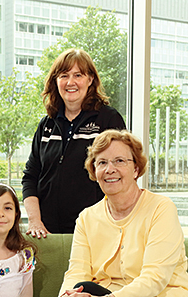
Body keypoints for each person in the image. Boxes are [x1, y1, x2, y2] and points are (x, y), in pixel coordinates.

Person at [56, 129, 188, 297]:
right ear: (94, 170)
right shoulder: (87, 218)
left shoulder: (161, 208)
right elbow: (76, 271)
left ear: (136, 167)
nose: (109, 169)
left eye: (119, 161)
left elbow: (155, 278)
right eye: (101, 162)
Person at [22, 48, 126, 237]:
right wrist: (35, 221)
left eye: (78, 75)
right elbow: (30, 177)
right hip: (47, 233)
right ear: (56, 81)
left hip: (94, 231)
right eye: (64, 75)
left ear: (90, 80)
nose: (70, 82)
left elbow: (120, 174)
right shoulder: (46, 125)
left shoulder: (108, 120)